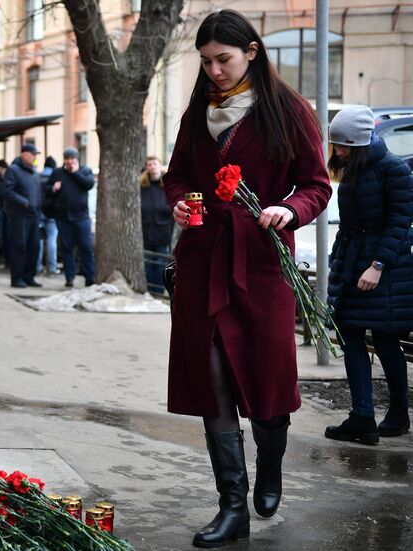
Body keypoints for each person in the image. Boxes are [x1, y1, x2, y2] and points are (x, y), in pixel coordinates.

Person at [162, 10, 332, 548]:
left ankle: (272, 468)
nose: (213, 71)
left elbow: (316, 185)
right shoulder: (196, 113)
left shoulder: (289, 111)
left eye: (224, 59)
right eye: (206, 61)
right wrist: (180, 205)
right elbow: (178, 177)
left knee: (266, 385)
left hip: (261, 266)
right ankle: (231, 507)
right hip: (202, 263)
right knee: (212, 384)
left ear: (252, 52)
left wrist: (289, 210)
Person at [324, 105, 413, 445]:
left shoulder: (393, 170)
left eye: (345, 145)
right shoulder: (354, 170)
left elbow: (400, 223)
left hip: (385, 269)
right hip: (353, 263)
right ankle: (362, 416)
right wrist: (340, 260)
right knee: (349, 334)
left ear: (362, 142)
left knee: (387, 338)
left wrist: (377, 265)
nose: (339, 151)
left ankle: (398, 413)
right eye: (336, 144)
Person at [47, 147, 96, 288]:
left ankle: (90, 277)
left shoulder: (85, 171)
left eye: (72, 159)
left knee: (86, 247)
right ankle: (69, 278)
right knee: (67, 248)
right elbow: (46, 189)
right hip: (63, 218)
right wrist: (53, 188)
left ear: (77, 159)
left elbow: (89, 184)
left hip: (81, 217)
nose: (69, 162)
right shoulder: (57, 173)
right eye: (67, 159)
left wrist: (75, 173)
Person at [4, 143, 43, 288]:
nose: (34, 158)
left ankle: (29, 277)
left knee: (34, 247)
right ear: (24, 154)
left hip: (34, 215)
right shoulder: (13, 170)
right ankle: (17, 278)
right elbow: (8, 192)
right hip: (19, 215)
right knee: (19, 247)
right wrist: (25, 202)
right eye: (33, 155)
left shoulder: (34, 172)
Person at [140, 156, 173, 294]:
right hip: (146, 230)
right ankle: (151, 289)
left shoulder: (167, 184)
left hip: (162, 231)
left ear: (160, 165)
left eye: (154, 163)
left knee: (160, 261)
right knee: (147, 262)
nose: (151, 166)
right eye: (149, 164)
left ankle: (159, 290)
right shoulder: (142, 185)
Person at [37, 156, 60, 275]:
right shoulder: (56, 178)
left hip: (39, 213)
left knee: (39, 240)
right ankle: (52, 267)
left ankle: (37, 266)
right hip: (52, 214)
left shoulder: (38, 177)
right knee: (52, 240)